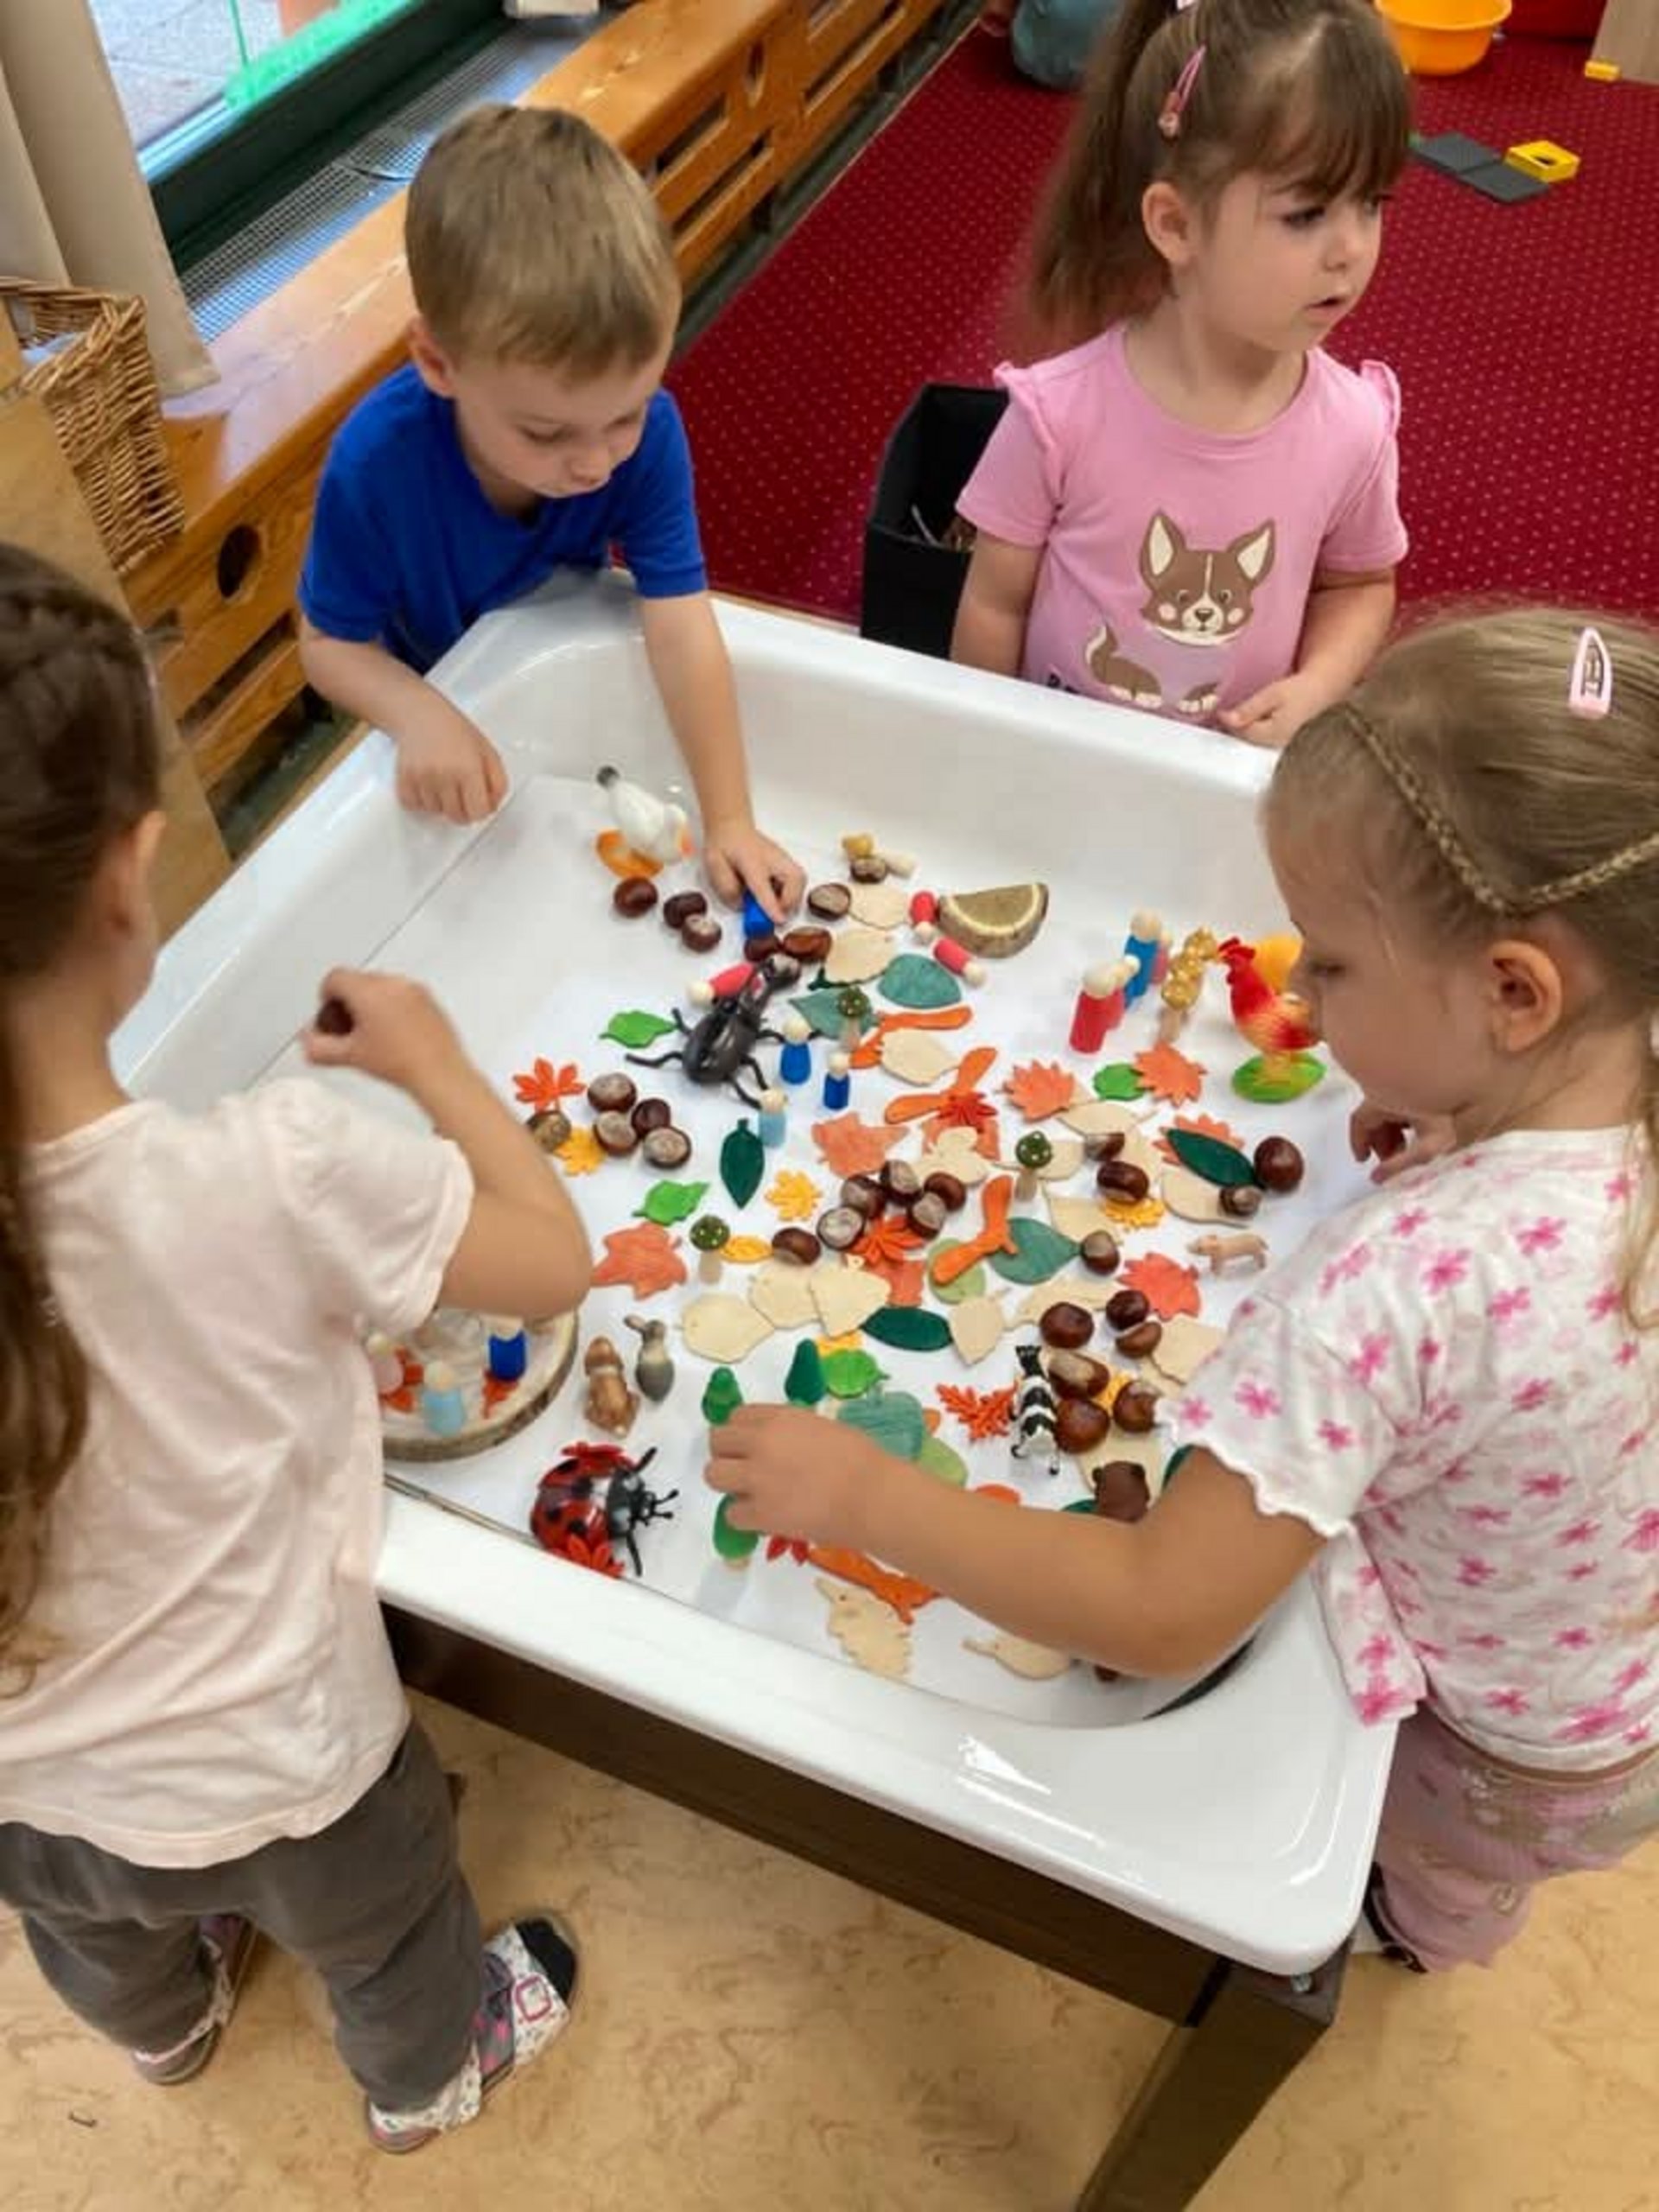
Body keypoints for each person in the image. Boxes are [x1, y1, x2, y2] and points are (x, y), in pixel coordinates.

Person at [709, 607, 1659, 1973]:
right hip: (1618, 1659)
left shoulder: (1377, 1295)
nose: (1303, 993)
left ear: (1516, 994)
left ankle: (1421, 1930)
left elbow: (1161, 1610)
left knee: (1436, 1873)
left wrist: (865, 1497)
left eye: (1332, 963)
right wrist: (1471, 1114)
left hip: (1502, 1755)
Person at [0, 544, 594, 2145]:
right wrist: (438, 1064)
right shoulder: (274, 1169)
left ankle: (166, 2031)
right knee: (395, 1937)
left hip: (30, 1798)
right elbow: (552, 1263)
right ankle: (425, 2082)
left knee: (90, 1931)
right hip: (291, 1766)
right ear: (129, 877)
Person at [299, 103, 803, 917]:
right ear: (438, 363)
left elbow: (680, 622)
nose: (597, 461)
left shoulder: (649, 438)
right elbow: (328, 645)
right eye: (547, 432)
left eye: (624, 414)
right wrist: (415, 711)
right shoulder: (374, 466)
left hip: (543, 640)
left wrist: (731, 817)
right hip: (429, 684)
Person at [952, 0, 1410, 748]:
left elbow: (1359, 584)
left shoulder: (1355, 427)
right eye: (1307, 213)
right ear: (1175, 225)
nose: (1352, 249)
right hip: (1057, 769)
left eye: (1372, 203)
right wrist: (982, 751)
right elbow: (995, 605)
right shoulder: (1058, 415)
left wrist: (1319, 685)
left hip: (1224, 781)